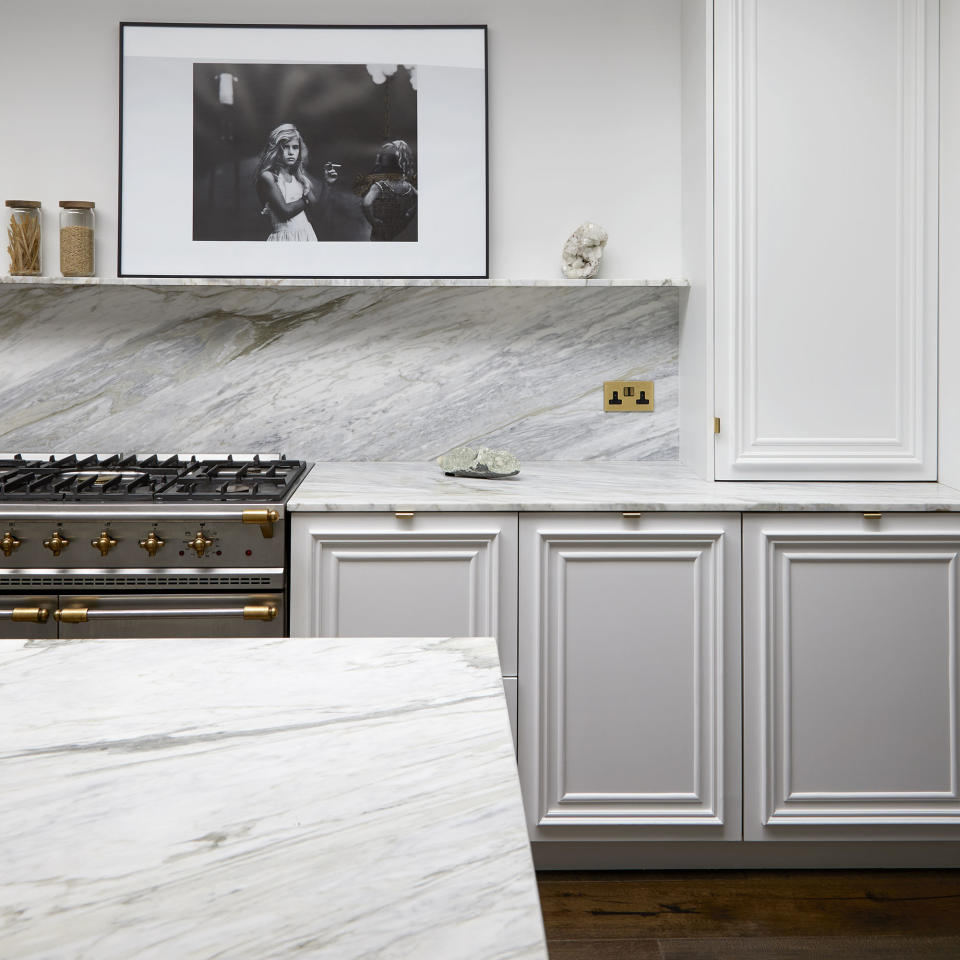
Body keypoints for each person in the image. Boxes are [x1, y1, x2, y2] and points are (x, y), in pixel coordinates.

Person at [254, 124, 340, 242]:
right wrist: (306, 200)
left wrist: (327, 183)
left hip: (307, 236)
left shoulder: (299, 177)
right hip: (284, 240)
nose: (291, 152)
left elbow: (318, 213)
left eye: (295, 147)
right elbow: (286, 212)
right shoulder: (268, 176)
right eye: (286, 147)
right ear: (277, 149)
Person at [357, 140, 418, 241]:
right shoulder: (409, 187)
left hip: (381, 232)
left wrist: (374, 221)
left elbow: (366, 204)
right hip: (400, 231)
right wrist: (408, 215)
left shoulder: (379, 187)